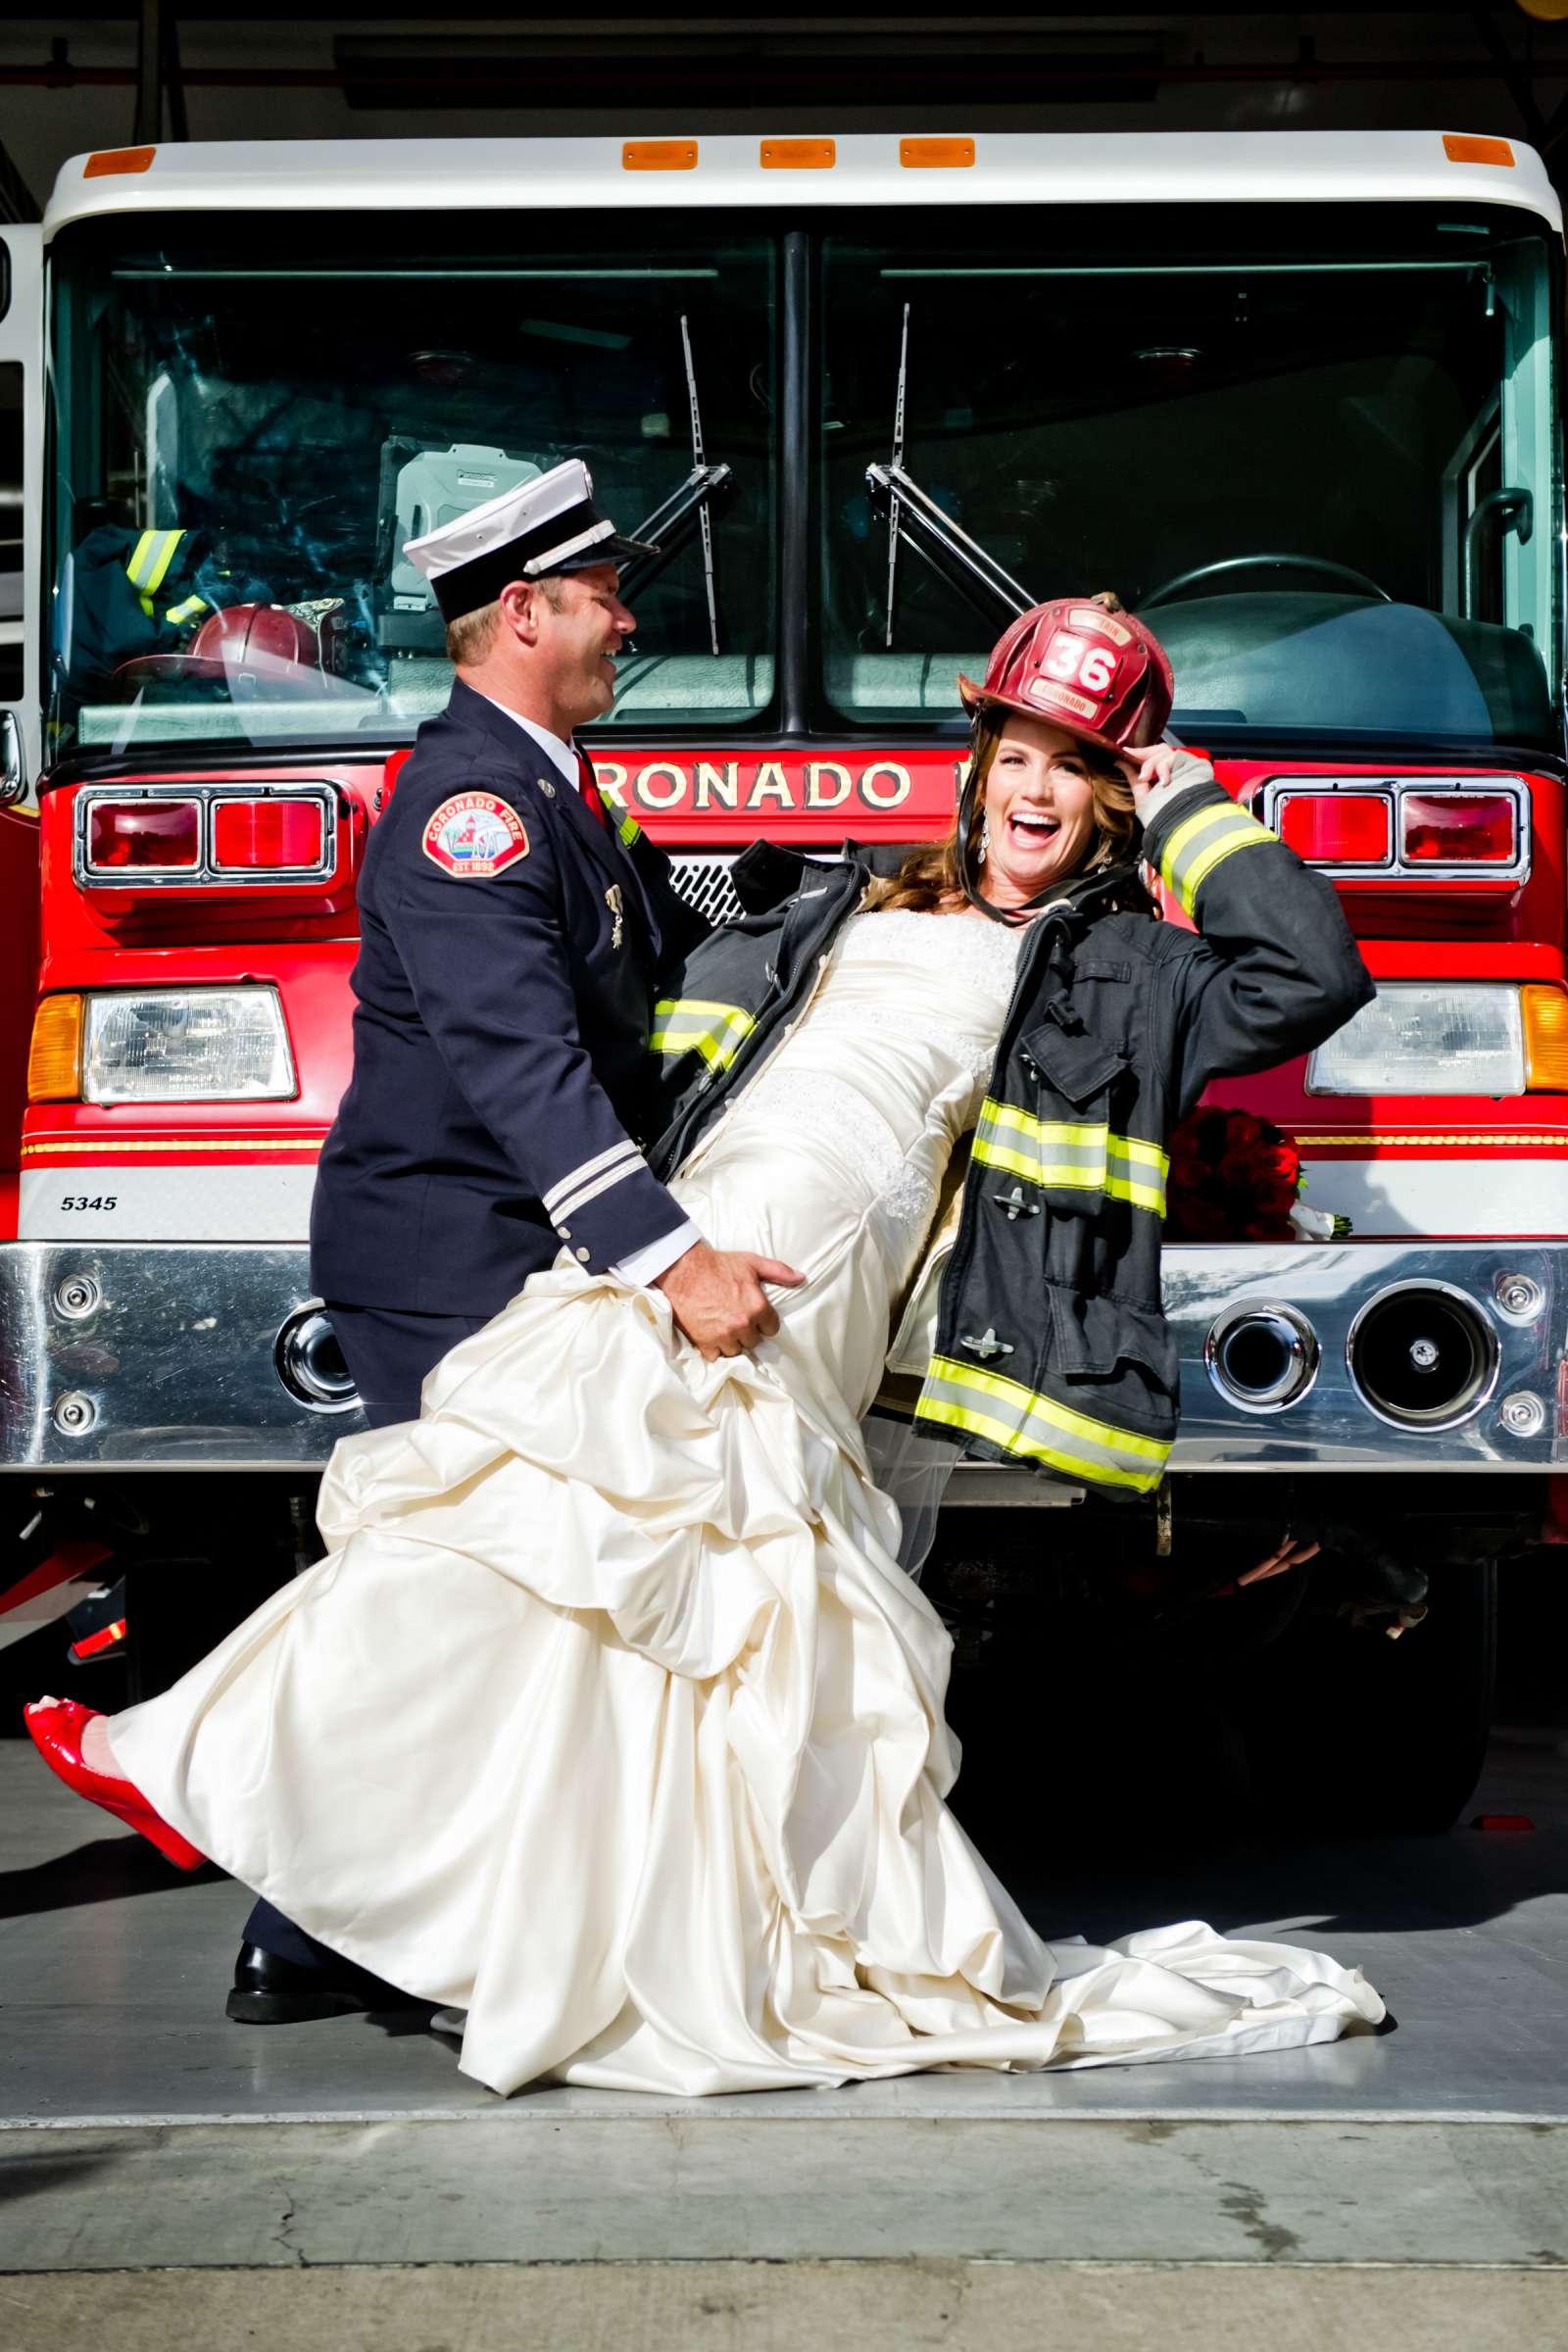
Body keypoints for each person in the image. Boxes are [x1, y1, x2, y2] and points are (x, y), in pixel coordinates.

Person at [27, 596, 1386, 2097]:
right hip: (696, 1231)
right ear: (979, 762)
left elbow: (1310, 973)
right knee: (544, 1534)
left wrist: (1187, 781)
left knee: (592, 1532)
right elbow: (597, 943)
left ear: (1116, 798)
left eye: (1081, 767)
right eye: (1019, 752)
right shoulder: (842, 901)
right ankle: (339, 1834)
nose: (1038, 793)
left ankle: (238, 1769)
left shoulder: (1129, 969)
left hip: (807, 1278)